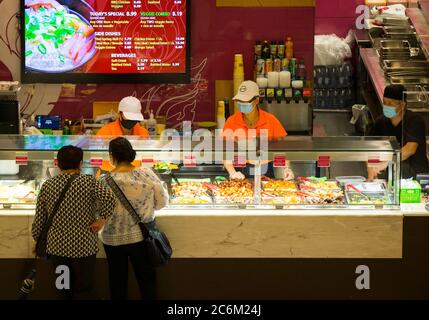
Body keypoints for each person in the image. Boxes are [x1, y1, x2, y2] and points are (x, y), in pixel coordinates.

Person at [31, 146, 116, 300]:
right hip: (84, 246)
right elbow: (110, 199)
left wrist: (37, 239)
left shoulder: (48, 185)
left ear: (58, 163)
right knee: (84, 288)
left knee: (63, 287)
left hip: (57, 247)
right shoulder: (89, 182)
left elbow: (40, 217)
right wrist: (101, 219)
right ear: (80, 164)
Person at [99, 137, 168, 300]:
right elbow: (161, 203)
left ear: (112, 156)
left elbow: (98, 212)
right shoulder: (146, 174)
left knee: (117, 282)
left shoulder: (103, 181)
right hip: (141, 237)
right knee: (146, 280)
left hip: (112, 240)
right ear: (131, 153)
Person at [222, 80, 294, 180]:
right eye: (239, 101)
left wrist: (286, 168)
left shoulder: (271, 120)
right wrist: (232, 172)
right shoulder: (231, 122)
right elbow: (226, 153)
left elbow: (282, 150)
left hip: (266, 171)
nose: (242, 104)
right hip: (240, 171)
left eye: (245, 101)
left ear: (256, 100)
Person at [368, 84, 429, 180]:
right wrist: (371, 168)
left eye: (391, 104)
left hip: (416, 175)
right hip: (392, 175)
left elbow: (409, 149)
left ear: (402, 105)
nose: (386, 106)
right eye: (385, 102)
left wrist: (387, 162)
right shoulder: (381, 121)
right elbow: (371, 147)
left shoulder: (415, 121)